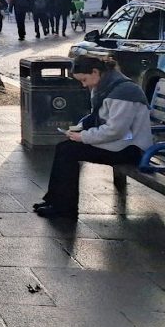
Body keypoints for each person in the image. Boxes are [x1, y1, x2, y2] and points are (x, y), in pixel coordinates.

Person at [34, 56, 151, 219]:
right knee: (64, 147)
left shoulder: (125, 92)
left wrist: (83, 137)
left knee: (69, 151)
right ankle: (54, 200)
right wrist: (79, 128)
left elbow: (115, 130)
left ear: (95, 72)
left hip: (131, 148)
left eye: (84, 79)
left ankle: (64, 209)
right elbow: (96, 117)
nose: (84, 85)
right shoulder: (103, 85)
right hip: (119, 143)